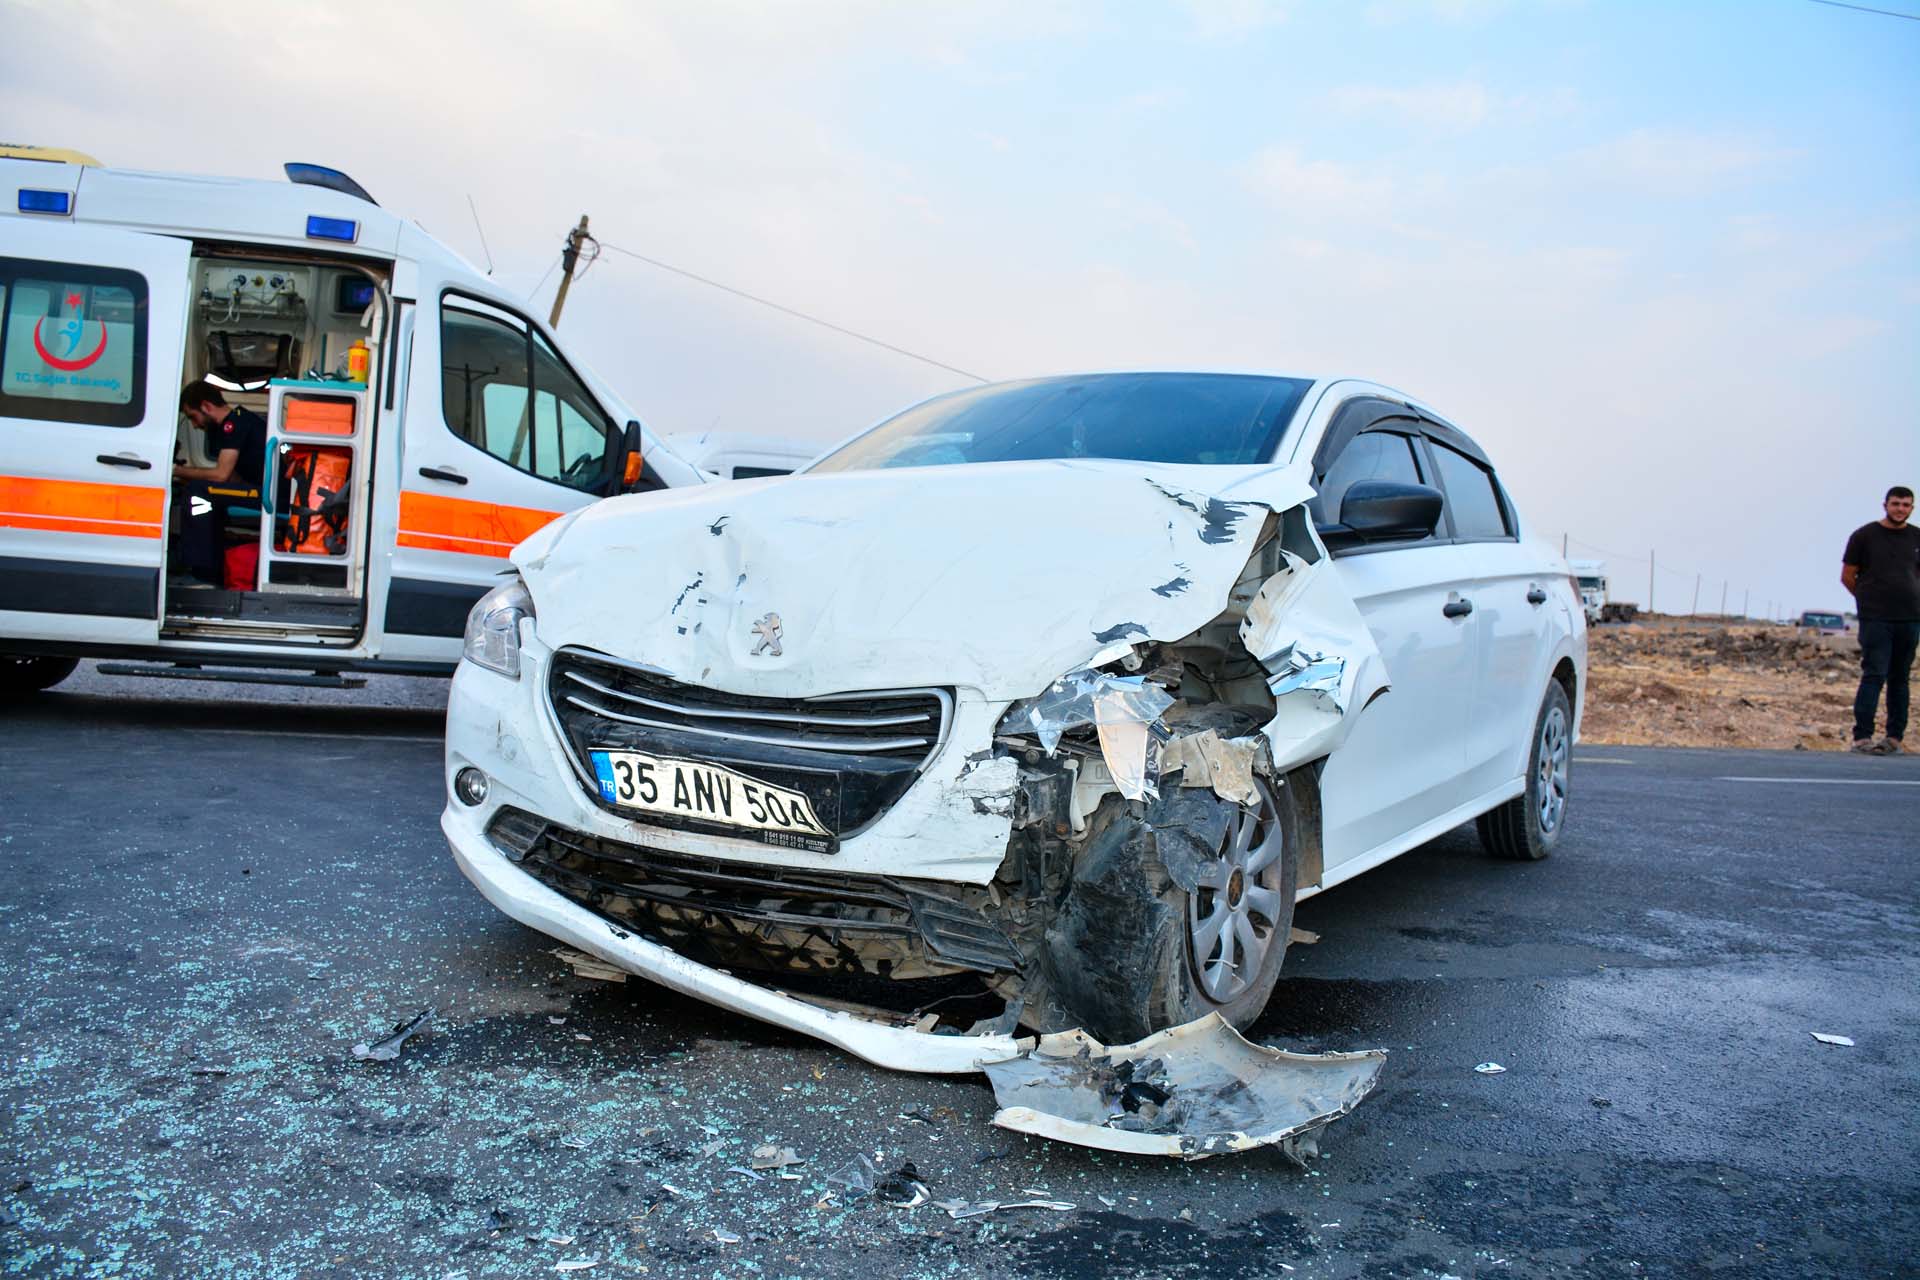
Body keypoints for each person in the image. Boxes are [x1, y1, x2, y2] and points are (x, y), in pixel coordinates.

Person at [1841, 485, 1919, 755]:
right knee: (1874, 674)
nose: (1901, 509)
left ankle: (1894, 738)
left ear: (1912, 508)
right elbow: (1848, 576)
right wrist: (1867, 601)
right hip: (1876, 619)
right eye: (1896, 503)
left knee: (1900, 678)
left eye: (1906, 505)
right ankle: (1862, 737)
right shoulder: (1864, 536)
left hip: (1910, 619)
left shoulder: (1917, 537)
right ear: (1885, 505)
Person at [172, 381, 268, 585]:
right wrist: (187, 475)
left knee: (197, 491)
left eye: (192, 417)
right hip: (256, 488)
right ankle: (213, 569)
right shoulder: (231, 426)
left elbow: (221, 475)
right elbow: (231, 478)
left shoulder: (235, 424)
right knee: (205, 492)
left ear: (206, 406)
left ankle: (201, 573)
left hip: (269, 494)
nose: (195, 425)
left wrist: (177, 471)